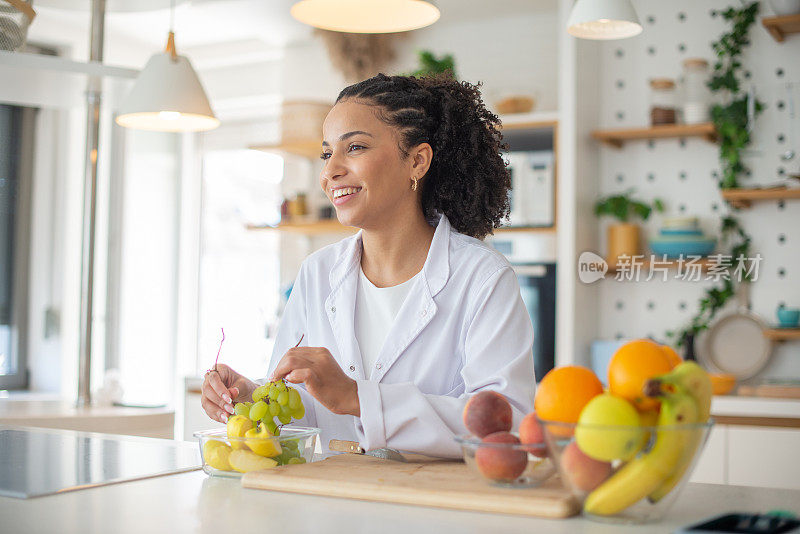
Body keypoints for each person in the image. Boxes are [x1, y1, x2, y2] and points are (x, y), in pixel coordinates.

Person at [201, 73, 535, 458]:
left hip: (437, 510)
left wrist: (359, 397)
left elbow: (504, 426)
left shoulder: (483, 278)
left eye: (354, 147)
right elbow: (304, 408)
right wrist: (251, 396)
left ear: (417, 161)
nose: (330, 172)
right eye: (327, 153)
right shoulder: (317, 274)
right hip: (333, 504)